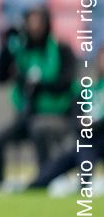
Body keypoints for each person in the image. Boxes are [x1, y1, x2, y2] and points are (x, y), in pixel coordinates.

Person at [0, 6, 75, 189]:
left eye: (38, 22)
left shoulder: (61, 49)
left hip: (58, 116)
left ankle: (43, 181)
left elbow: (66, 83)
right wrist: (6, 46)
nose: (34, 27)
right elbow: (0, 77)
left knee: (39, 129)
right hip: (27, 117)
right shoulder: (22, 50)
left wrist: (40, 85)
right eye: (30, 22)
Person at [27, 48, 103, 191]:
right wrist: (82, 123)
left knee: (85, 161)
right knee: (53, 168)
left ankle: (83, 187)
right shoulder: (92, 89)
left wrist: (94, 124)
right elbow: (76, 112)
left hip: (98, 137)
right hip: (87, 140)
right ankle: (35, 186)